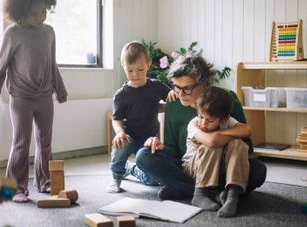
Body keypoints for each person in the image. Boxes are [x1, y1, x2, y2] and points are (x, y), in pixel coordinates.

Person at [135, 53, 267, 213]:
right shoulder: (173, 104)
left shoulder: (226, 99)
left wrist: (216, 139)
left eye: (187, 88)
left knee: (259, 170)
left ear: (204, 84)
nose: (180, 93)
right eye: (176, 87)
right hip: (191, 167)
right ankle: (215, 194)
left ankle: (182, 190)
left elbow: (247, 146)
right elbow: (173, 152)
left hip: (224, 168)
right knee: (144, 156)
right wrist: (159, 145)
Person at [0, 0, 68, 203]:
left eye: (43, 11)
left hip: (44, 96)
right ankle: (14, 188)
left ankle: (45, 181)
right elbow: (1, 65)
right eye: (34, 14)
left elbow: (52, 63)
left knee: (45, 142)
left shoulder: (49, 32)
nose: (40, 17)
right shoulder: (12, 33)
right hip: (21, 97)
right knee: (21, 143)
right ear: (20, 12)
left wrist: (60, 88)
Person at [107, 41, 176, 193]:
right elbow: (116, 119)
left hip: (149, 140)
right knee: (120, 146)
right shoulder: (121, 95)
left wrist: (172, 92)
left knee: (152, 181)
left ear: (148, 65)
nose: (135, 74)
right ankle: (116, 177)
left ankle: (130, 169)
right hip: (129, 136)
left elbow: (170, 95)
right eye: (130, 70)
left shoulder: (156, 86)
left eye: (140, 69)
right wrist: (119, 132)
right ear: (124, 68)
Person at [183, 86, 252, 217]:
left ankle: (232, 195)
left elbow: (247, 130)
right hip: (192, 170)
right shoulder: (193, 124)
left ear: (224, 119)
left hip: (218, 170)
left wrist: (219, 133)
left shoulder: (228, 122)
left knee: (238, 144)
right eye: (200, 116)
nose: (203, 123)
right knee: (212, 145)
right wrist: (221, 136)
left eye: (209, 120)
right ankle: (199, 193)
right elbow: (212, 142)